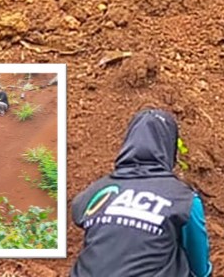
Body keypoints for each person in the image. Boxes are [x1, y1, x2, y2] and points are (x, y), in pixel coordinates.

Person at [71, 109, 212, 277]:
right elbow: (200, 268)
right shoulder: (184, 200)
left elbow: (78, 212)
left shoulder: (97, 190)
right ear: (169, 146)